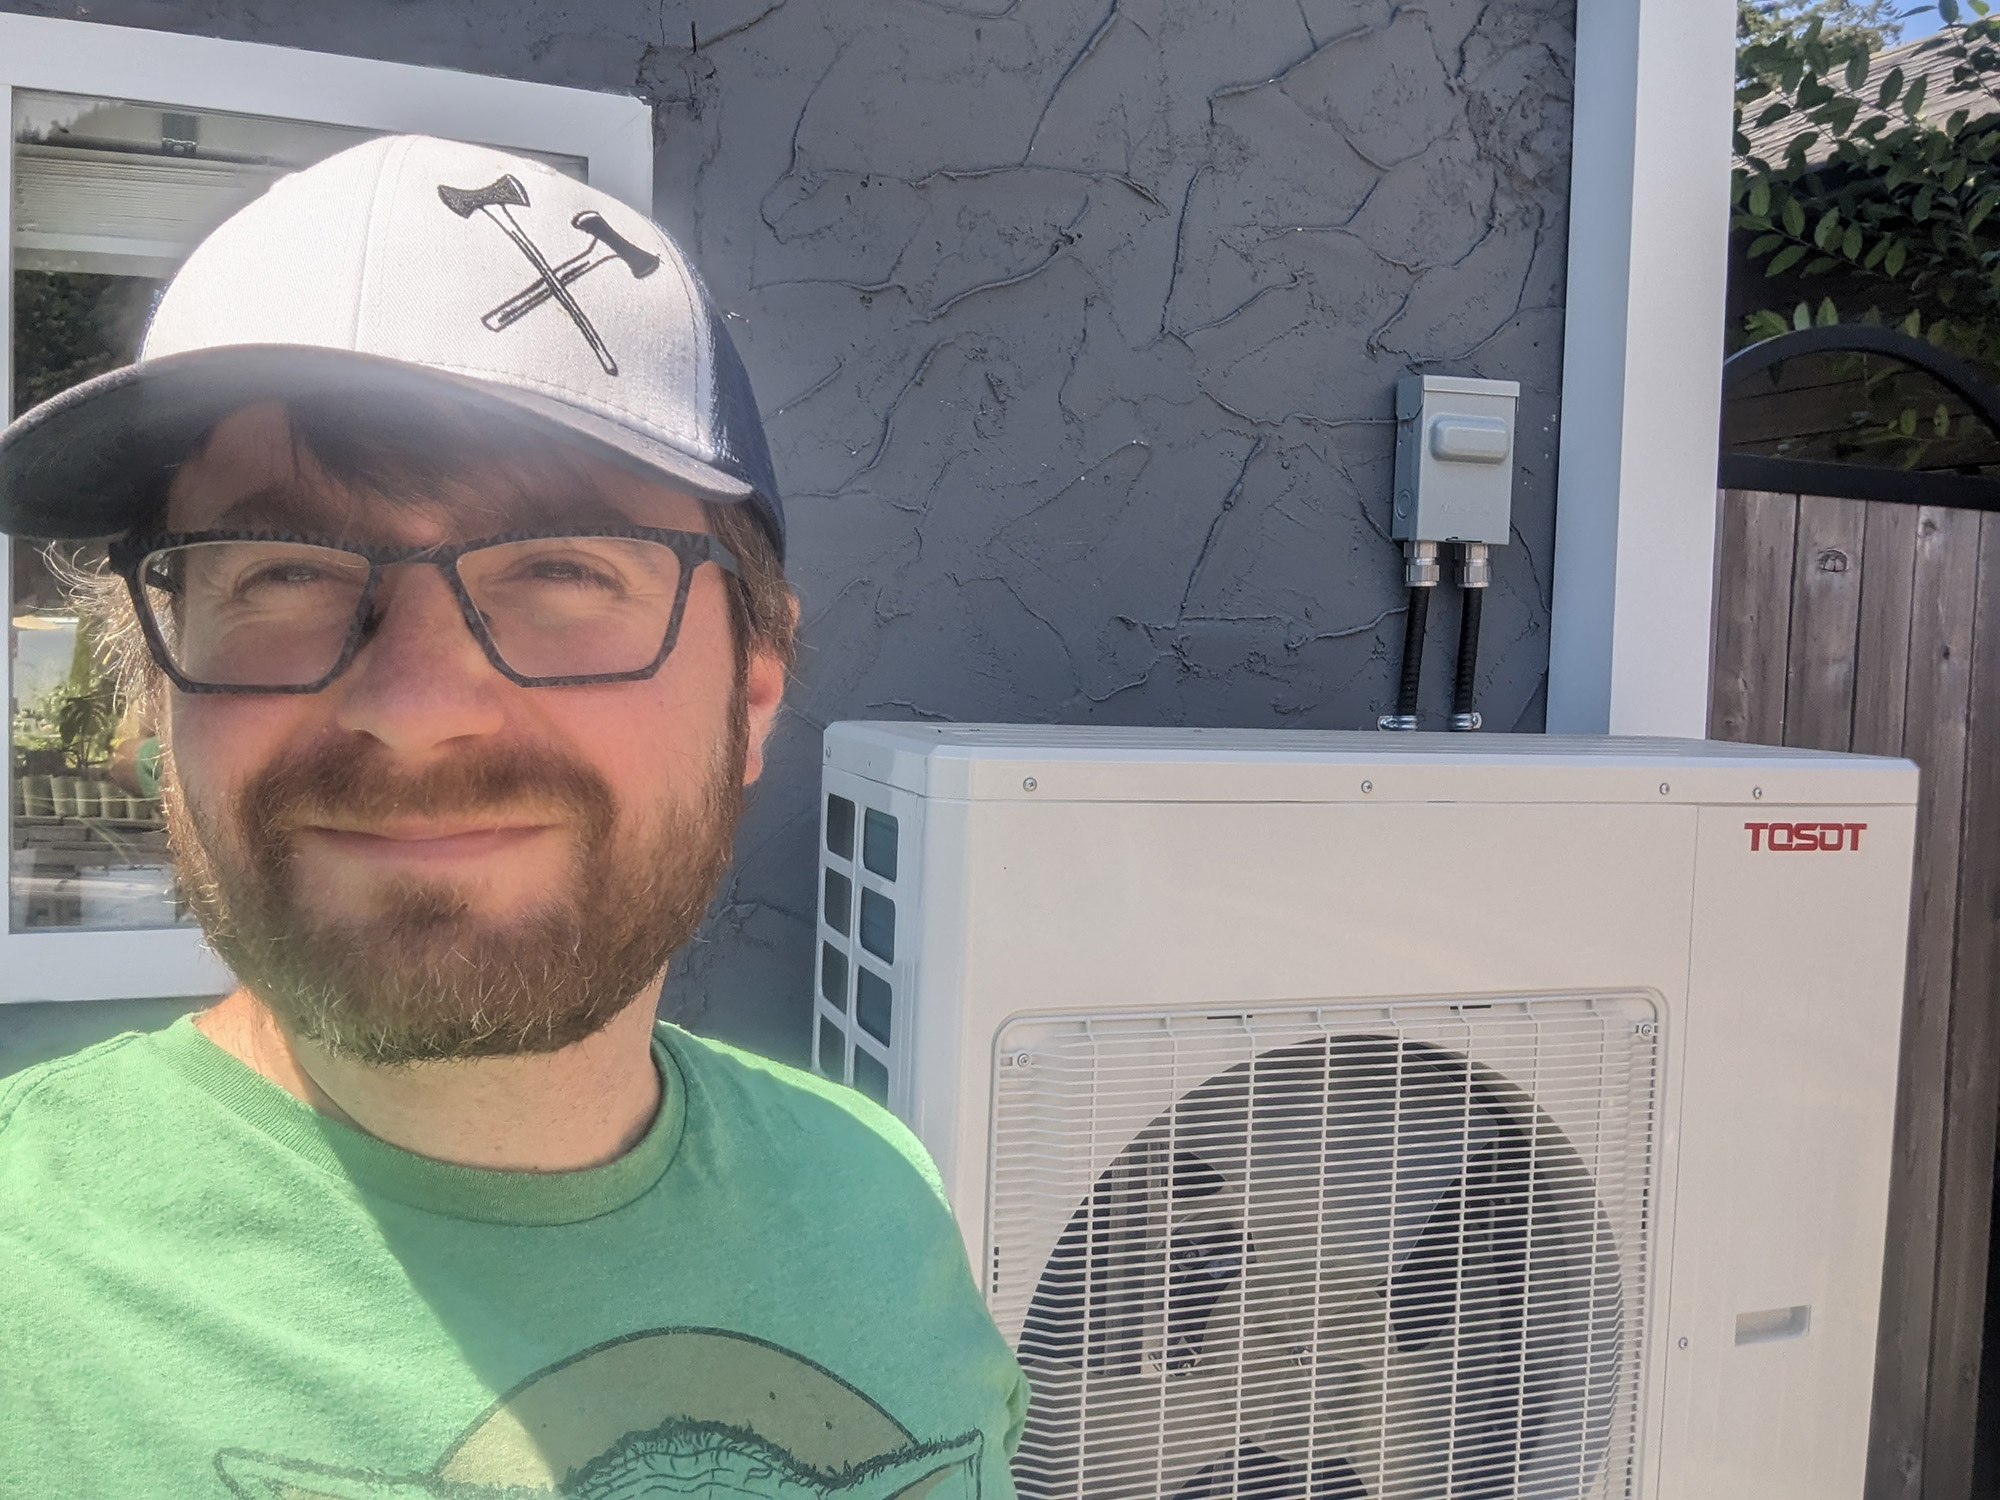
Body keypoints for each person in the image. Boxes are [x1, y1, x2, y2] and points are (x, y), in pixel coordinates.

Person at [0, 135, 1027, 1498]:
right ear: (151, 699)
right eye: (283, 571)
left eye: (561, 566)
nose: (417, 706)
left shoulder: (879, 1188)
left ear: (757, 690)